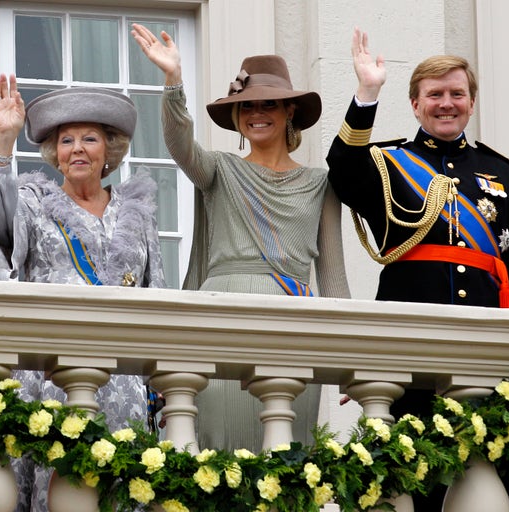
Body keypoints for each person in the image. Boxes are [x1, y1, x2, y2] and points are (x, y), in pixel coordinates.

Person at [326, 28, 509, 508]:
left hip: (486, 351)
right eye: (434, 94)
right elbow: (343, 169)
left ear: (471, 103)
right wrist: (366, 93)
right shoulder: (391, 163)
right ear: (415, 105)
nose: (446, 103)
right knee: (406, 486)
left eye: (457, 93)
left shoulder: (503, 173)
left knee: (482, 480)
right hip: (408, 349)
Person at [130, 24, 350, 453]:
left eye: (269, 104)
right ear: (236, 115)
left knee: (285, 460)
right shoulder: (219, 169)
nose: (257, 112)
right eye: (247, 105)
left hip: (293, 321)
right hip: (219, 316)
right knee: (218, 454)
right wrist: (174, 82)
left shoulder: (323, 183)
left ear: (290, 112)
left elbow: (334, 277)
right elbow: (179, 146)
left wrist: (347, 356)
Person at [0, 73, 166, 512]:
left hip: (125, 384)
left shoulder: (137, 214)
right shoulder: (34, 203)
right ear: (54, 155)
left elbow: (158, 297)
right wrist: (5, 137)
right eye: (66, 140)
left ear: (109, 152)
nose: (77, 148)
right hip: (52, 379)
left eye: (90, 139)